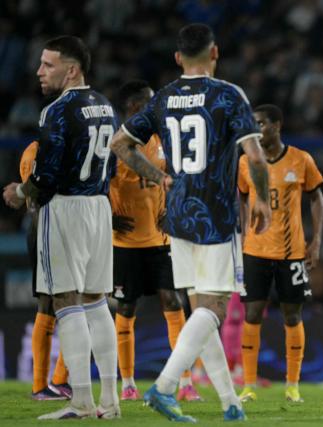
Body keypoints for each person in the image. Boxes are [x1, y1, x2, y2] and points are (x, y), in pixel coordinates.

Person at [110, 23, 271, 422]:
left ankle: (231, 403)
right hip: (214, 213)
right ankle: (165, 387)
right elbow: (255, 154)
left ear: (177, 58)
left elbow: (119, 144)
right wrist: (263, 201)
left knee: (201, 308)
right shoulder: (228, 95)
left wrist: (157, 176)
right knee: (214, 308)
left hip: (177, 213)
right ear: (215, 53)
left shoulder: (163, 96)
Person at [3, 36, 120, 419]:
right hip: (100, 206)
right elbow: (113, 166)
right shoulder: (105, 105)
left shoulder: (57, 110)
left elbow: (47, 174)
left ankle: (82, 401)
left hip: (66, 208)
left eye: (48, 64)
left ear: (71, 70)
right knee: (97, 301)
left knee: (64, 301)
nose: (39, 71)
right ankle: (111, 401)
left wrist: (21, 192)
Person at [109, 80, 201, 402]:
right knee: (126, 307)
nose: (154, 109)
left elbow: (177, 180)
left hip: (161, 240)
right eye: (148, 104)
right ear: (134, 107)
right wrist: (107, 215)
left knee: (173, 301)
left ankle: (185, 381)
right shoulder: (114, 144)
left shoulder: (162, 139)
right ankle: (128, 383)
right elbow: (93, 186)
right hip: (125, 242)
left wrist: (172, 210)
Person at [237, 104, 323, 404]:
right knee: (251, 314)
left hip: (292, 252)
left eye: (261, 123)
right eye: (253, 124)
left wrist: (315, 242)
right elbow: (241, 198)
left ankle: (292, 385)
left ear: (277, 125)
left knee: (292, 315)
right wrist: (241, 237)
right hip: (255, 250)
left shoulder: (301, 159)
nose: (256, 129)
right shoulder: (246, 162)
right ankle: (248, 385)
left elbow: (316, 197)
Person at [19, 141, 71, 401]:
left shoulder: (31, 150)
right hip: (47, 227)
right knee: (53, 304)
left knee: (65, 303)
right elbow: (36, 193)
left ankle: (57, 381)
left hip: (45, 227)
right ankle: (44, 384)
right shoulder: (50, 151)